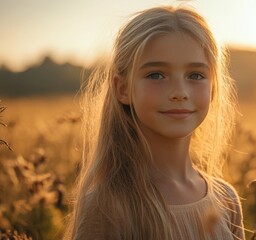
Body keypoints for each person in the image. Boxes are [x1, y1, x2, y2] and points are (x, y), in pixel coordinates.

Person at [64, 5, 244, 240]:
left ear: (213, 89)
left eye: (196, 75)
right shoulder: (108, 207)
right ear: (123, 88)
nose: (180, 92)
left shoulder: (226, 199)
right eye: (156, 75)